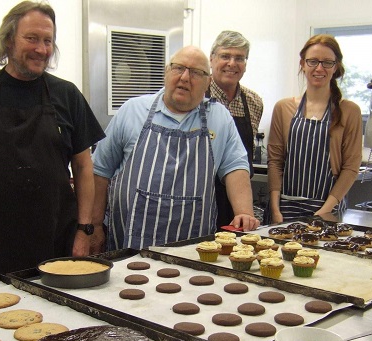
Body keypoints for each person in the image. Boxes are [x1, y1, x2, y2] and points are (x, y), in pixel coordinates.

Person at [0, 1, 105, 277]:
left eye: (48, 41)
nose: (42, 49)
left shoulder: (67, 95)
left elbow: (84, 168)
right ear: (9, 40)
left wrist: (84, 231)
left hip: (56, 236)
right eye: (32, 38)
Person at [91, 46, 260, 252]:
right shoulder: (132, 110)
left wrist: (244, 213)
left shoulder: (219, 117)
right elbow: (100, 171)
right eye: (179, 68)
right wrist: (95, 226)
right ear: (166, 72)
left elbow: (235, 166)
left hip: (193, 247)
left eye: (197, 73)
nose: (185, 77)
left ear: (208, 82)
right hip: (129, 244)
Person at [267, 34, 362, 223]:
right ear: (302, 64)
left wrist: (323, 212)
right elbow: (275, 161)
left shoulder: (349, 111)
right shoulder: (283, 108)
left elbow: (351, 167)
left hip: (327, 209)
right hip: (284, 208)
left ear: (335, 67)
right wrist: (275, 208)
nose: (319, 68)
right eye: (313, 61)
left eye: (327, 62)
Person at [206, 30, 264, 227]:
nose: (232, 63)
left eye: (239, 58)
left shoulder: (254, 102)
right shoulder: (197, 97)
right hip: (203, 197)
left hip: (239, 201)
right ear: (211, 59)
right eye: (225, 56)